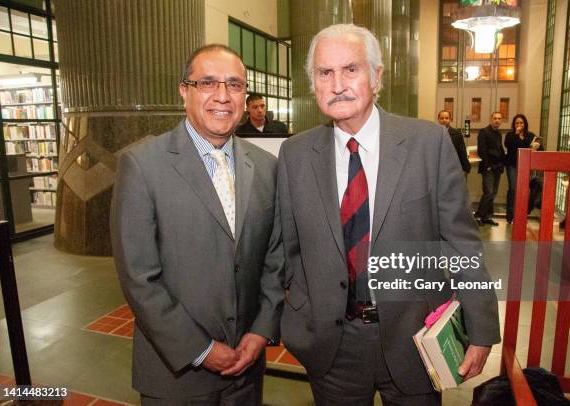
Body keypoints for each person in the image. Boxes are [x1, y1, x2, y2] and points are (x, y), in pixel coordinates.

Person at [278, 24, 500, 406]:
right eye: (324, 73)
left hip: (414, 340)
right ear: (313, 83)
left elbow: (463, 245)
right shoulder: (295, 155)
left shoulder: (428, 144)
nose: (337, 84)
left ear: (377, 77)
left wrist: (480, 329)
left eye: (351, 69)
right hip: (333, 348)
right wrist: (297, 318)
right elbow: (286, 249)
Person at [110, 44, 284, 406]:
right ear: (184, 91)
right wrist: (201, 349)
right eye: (207, 83)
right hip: (177, 375)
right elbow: (139, 277)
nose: (223, 96)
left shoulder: (266, 167)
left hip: (247, 369)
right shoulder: (142, 165)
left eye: (235, 85)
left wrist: (261, 331)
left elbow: (274, 258)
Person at [504, 113, 541, 223]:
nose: (519, 125)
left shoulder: (530, 136)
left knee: (525, 190)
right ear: (514, 125)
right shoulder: (510, 135)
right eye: (517, 123)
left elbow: (538, 147)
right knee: (513, 189)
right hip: (512, 165)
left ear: (525, 124)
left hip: (526, 167)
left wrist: (536, 147)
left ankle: (522, 213)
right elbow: (508, 145)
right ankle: (510, 216)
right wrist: (516, 134)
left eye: (521, 123)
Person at [476, 111, 506, 226]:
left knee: (493, 193)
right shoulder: (484, 132)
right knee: (488, 192)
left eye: (499, 118)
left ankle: (487, 217)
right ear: (491, 119)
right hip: (488, 167)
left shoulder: (499, 134)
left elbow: (500, 149)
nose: (497, 120)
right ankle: (478, 216)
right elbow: (482, 150)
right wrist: (487, 166)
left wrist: (503, 162)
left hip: (497, 167)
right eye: (495, 118)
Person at [437, 110, 471, 175]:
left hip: (453, 168)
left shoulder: (457, 134)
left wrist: (465, 169)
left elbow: (462, 152)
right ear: (438, 119)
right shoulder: (433, 133)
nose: (444, 120)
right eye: (442, 118)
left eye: (447, 118)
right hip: (438, 168)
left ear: (450, 119)